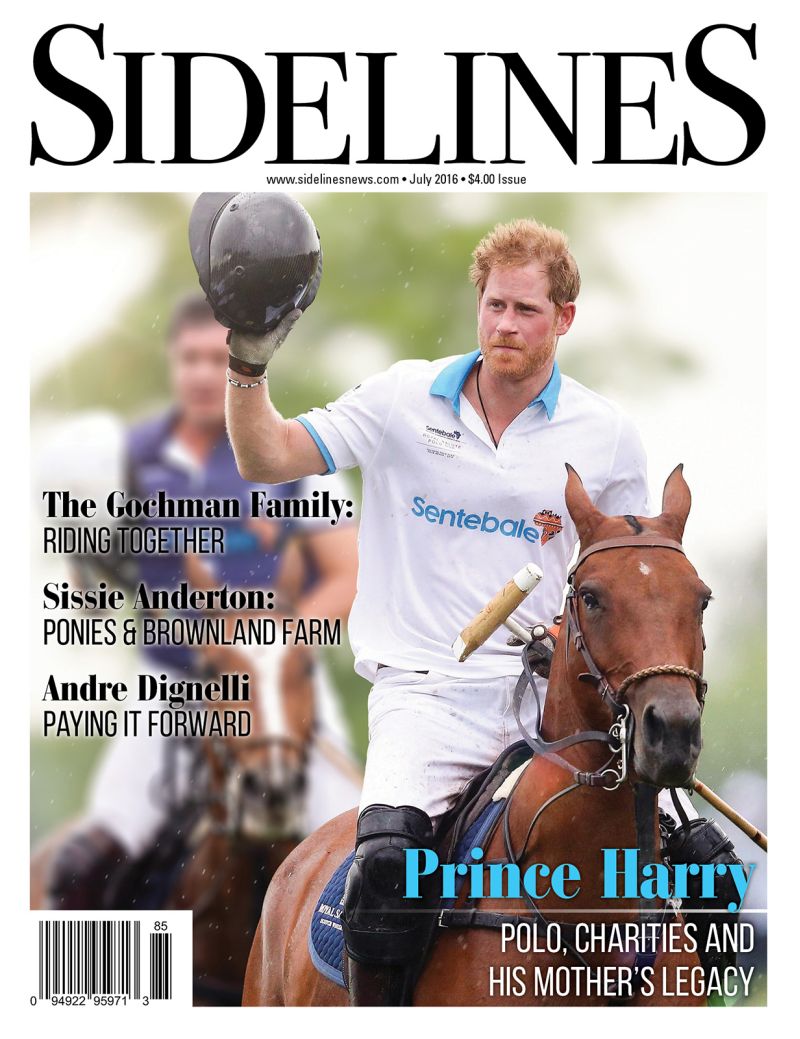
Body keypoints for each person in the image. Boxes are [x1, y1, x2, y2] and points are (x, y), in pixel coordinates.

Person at [224, 217, 741, 1004]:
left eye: (526, 310)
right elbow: (268, 455)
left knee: (709, 880)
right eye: (495, 305)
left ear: (564, 318)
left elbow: (628, 579)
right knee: (388, 875)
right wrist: (249, 362)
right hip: (424, 697)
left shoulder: (607, 435)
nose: (505, 324)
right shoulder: (402, 399)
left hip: (555, 702)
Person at [46, 295, 362, 908]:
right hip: (170, 683)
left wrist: (270, 648)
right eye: (188, 358)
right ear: (172, 361)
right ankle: (110, 968)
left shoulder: (296, 453)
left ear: (242, 365)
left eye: (215, 360)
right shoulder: (126, 459)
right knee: (90, 864)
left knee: (354, 854)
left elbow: (345, 574)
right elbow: (91, 594)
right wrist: (85, 554)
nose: (199, 374)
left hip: (278, 685)